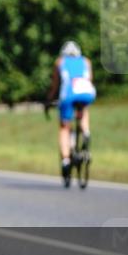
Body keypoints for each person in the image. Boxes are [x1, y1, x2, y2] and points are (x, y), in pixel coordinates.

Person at [46, 40, 96, 181]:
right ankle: (86, 132)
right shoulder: (86, 61)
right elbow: (89, 79)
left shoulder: (60, 62)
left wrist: (49, 100)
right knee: (84, 110)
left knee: (64, 127)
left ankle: (66, 160)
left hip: (69, 94)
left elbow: (55, 85)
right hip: (87, 92)